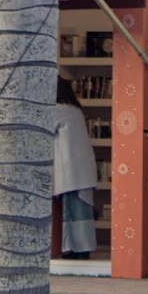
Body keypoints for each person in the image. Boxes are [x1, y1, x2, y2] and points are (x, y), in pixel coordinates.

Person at [53, 79, 98, 260]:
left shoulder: (58, 110)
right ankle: (80, 248)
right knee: (81, 210)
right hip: (82, 169)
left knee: (72, 211)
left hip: (70, 170)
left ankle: (77, 249)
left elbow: (42, 130)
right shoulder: (75, 110)